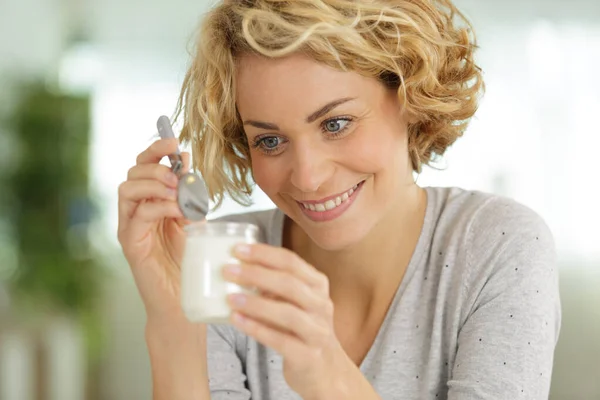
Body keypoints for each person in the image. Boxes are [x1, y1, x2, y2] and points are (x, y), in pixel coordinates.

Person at [117, 0, 561, 399]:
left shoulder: (498, 246)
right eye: (269, 140)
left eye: (336, 124)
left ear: (409, 94)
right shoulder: (225, 262)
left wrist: (328, 376)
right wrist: (175, 317)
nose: (308, 177)